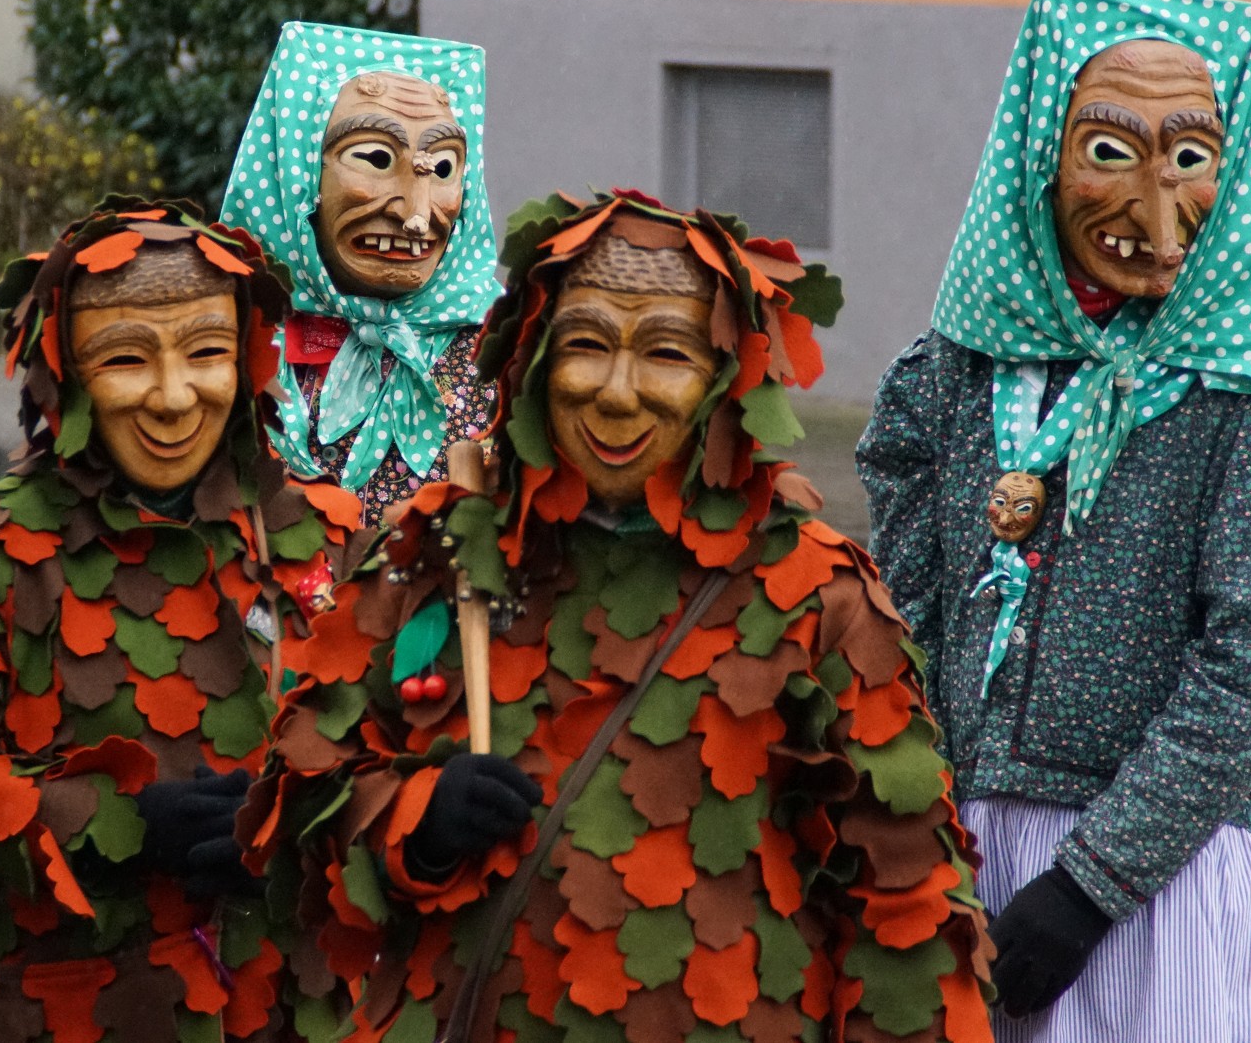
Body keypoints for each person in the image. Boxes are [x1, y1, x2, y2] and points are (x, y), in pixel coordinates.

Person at [244, 191, 994, 1043]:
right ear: (534, 358)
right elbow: (303, 794)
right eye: (587, 345)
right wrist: (419, 820)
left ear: (726, 375)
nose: (617, 392)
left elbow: (905, 898)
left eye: (666, 352)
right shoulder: (435, 554)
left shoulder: (817, 591)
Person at [857, 0, 1251, 1039]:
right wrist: (906, 826)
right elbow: (899, 626)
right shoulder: (951, 375)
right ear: (1037, 152)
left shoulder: (1245, 394)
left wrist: (1089, 886)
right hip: (958, 857)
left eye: (1191, 157)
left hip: (1153, 883)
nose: (1156, 212)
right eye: (1109, 152)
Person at [0, 196, 360, 1043]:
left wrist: (320, 822)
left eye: (207, 353)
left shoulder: (324, 534)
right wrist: (116, 825)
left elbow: (389, 759)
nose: (173, 396)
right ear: (68, 373)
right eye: (126, 358)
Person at [220, 22, 499, 522]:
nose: (416, 216)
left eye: (443, 169)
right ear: (298, 171)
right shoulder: (218, 344)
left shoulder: (507, 356)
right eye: (375, 157)